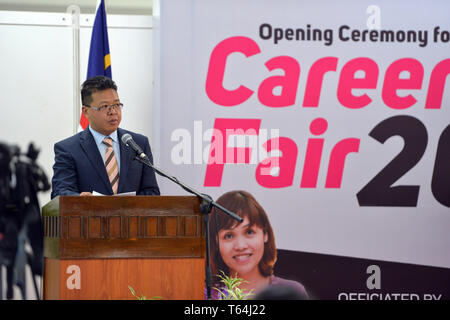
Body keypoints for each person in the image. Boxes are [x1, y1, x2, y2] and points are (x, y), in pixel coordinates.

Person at [51, 76, 160, 198]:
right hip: (89, 216)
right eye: (104, 106)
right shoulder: (68, 149)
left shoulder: (138, 143)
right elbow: (60, 192)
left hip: (131, 217)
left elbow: (151, 192)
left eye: (117, 105)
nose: (113, 111)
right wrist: (79, 198)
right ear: (86, 111)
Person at [209, 190, 308, 300]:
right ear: (216, 242)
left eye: (249, 232)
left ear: (265, 234)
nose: (240, 246)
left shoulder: (291, 294)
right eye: (229, 236)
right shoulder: (204, 295)